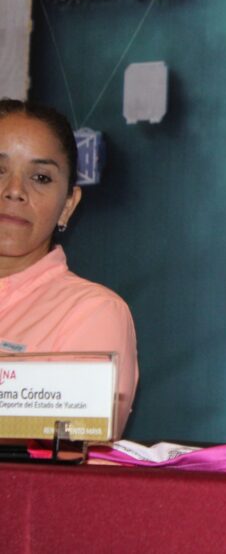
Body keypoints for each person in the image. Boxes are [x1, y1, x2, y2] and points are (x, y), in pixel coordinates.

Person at [0, 99, 138, 439]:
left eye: (41, 177)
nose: (14, 191)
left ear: (68, 205)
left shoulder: (93, 312)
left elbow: (70, 448)